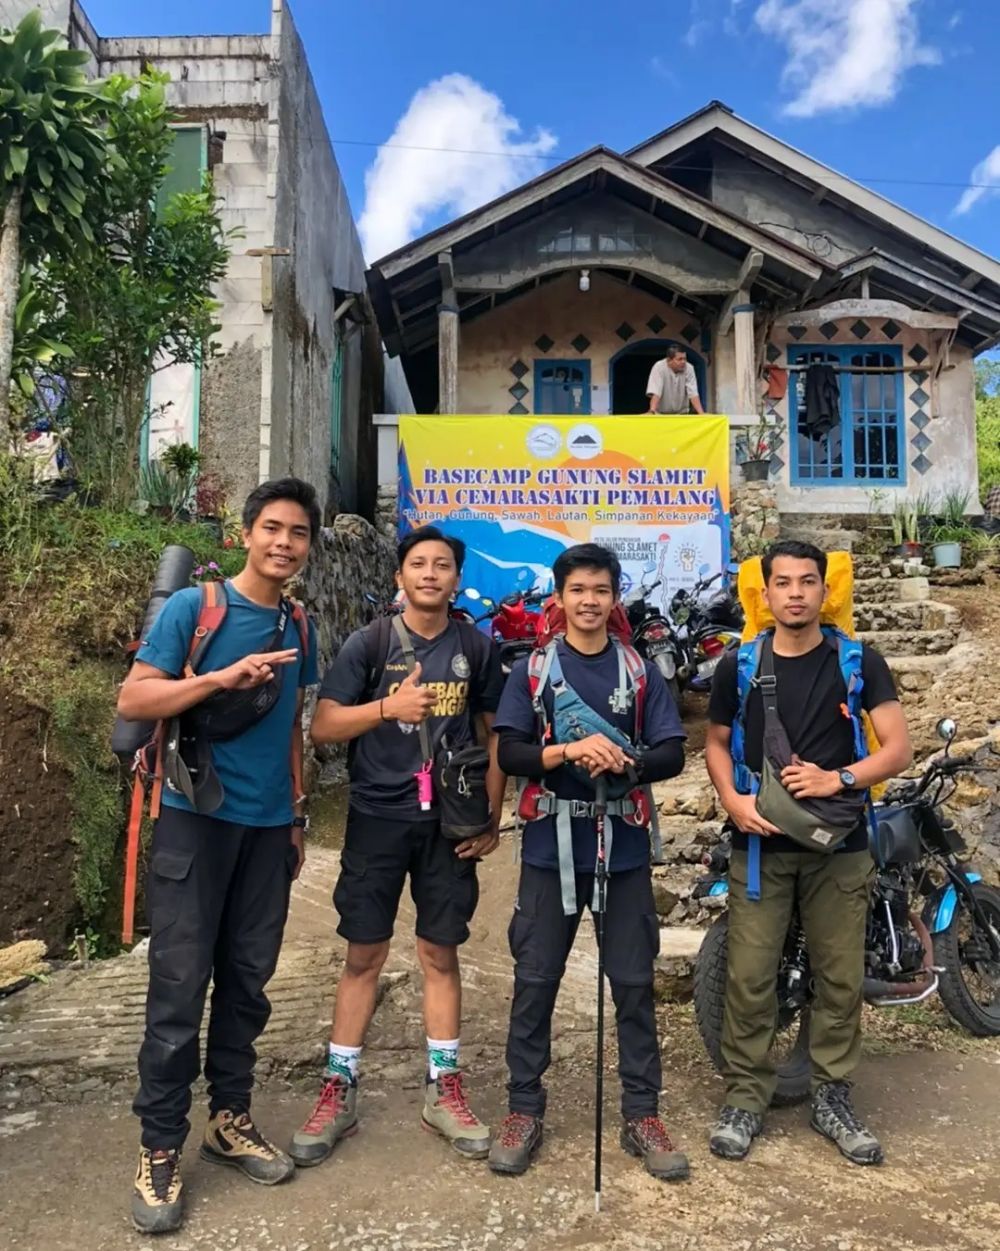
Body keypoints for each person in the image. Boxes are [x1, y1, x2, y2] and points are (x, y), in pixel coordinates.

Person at [119, 478, 321, 1235]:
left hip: (269, 831)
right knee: (178, 988)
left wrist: (297, 814)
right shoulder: (193, 610)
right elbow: (134, 699)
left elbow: (294, 726)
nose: (283, 542)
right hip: (193, 822)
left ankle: (228, 1117)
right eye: (271, 527)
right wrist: (215, 678)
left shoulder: (300, 620)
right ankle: (159, 1146)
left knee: (247, 983)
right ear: (245, 533)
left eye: (298, 532)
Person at [290, 525, 505, 1167]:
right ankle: (338, 1088)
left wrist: (489, 818)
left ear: (456, 578)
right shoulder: (370, 642)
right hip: (377, 817)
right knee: (364, 953)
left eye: (443, 565)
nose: (431, 574)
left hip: (449, 826)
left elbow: (495, 735)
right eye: (419, 564)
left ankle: (445, 1088)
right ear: (400, 577)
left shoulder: (476, 646)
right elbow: (325, 725)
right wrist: (386, 709)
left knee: (440, 952)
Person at [705, 540, 912, 1166]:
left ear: (825, 592)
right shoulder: (737, 666)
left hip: (840, 847)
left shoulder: (858, 661)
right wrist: (732, 803)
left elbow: (897, 748)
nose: (795, 593)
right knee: (748, 976)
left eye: (807, 582)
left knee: (840, 975)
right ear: (764, 595)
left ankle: (832, 1095)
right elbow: (716, 743)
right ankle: (745, 1095)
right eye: (783, 583)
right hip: (759, 844)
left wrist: (839, 779)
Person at [487, 543, 690, 1182]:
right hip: (551, 850)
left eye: (601, 590)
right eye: (578, 590)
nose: (590, 601)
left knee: (632, 982)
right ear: (560, 597)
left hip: (622, 848)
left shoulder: (640, 671)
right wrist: (568, 753)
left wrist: (625, 762)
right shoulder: (534, 671)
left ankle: (642, 1111)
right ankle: (523, 1107)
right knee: (536, 979)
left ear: (614, 596)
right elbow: (513, 750)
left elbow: (673, 752)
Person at [645, 344, 705, 415]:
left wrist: (702, 414)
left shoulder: (689, 368)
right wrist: (652, 411)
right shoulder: (659, 367)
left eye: (684, 359)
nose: (683, 362)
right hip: (661, 414)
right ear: (669, 360)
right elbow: (656, 392)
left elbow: (693, 393)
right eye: (680, 359)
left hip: (682, 414)